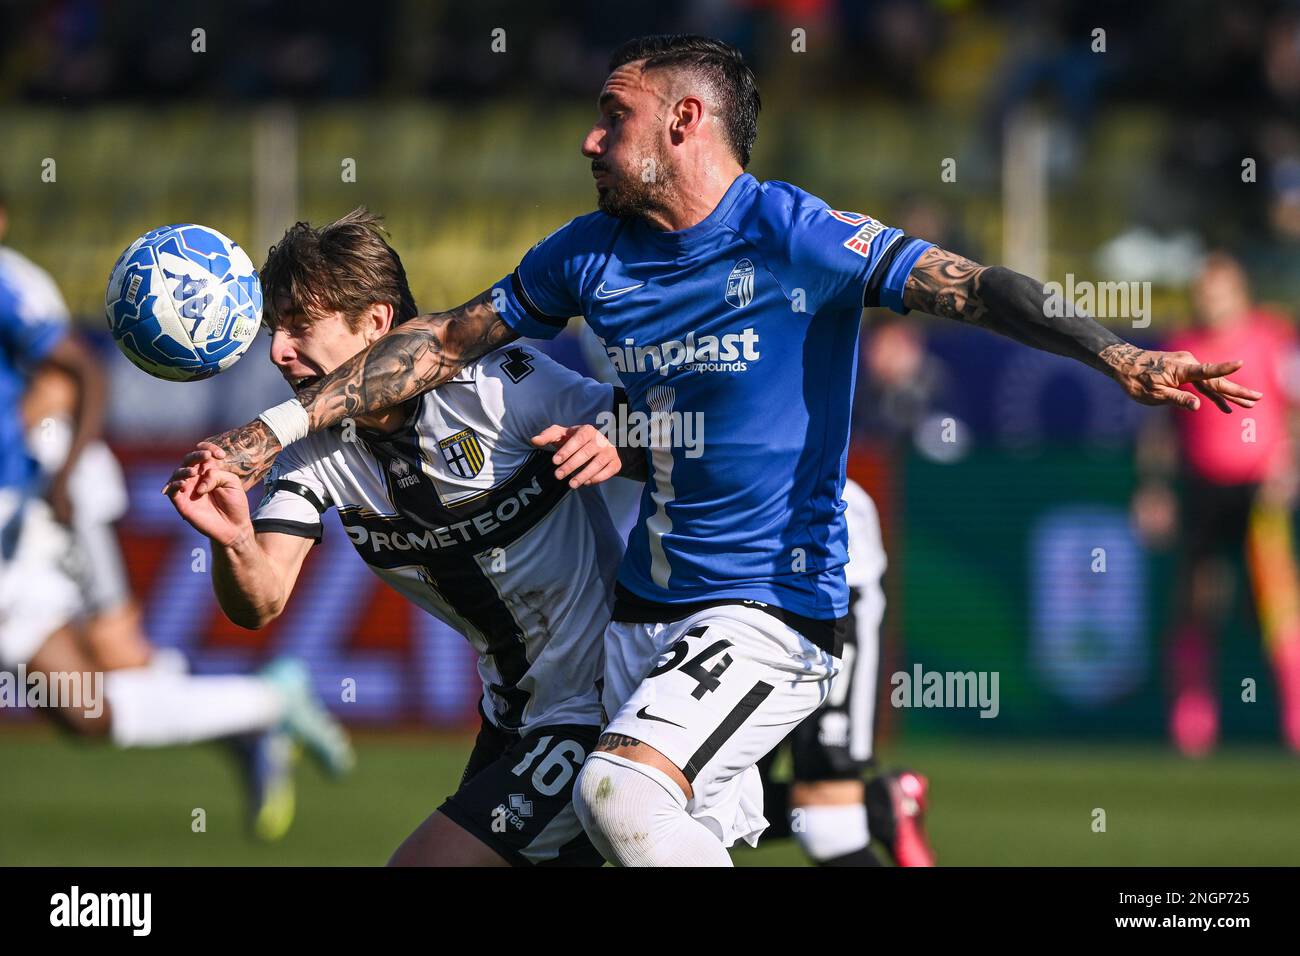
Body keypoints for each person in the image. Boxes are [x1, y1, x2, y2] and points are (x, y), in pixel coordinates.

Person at [183, 35, 1261, 866]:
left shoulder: (795, 234)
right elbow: (441, 341)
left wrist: (1114, 351)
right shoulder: (588, 252)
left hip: (766, 606)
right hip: (638, 616)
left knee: (619, 795)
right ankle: (869, 807)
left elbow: (972, 287)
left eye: (614, 117)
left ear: (685, 121)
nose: (590, 139)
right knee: (642, 825)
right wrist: (258, 434)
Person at [166, 208, 644, 866]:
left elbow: (663, 434)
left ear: (376, 322)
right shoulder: (315, 455)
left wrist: (619, 437)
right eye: (275, 329)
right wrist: (235, 542)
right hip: (513, 720)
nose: (278, 349)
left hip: (598, 702)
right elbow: (261, 600)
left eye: (301, 325)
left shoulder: (502, 386)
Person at [0, 191, 351, 843]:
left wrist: (63, 470)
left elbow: (70, 377)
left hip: (27, 511)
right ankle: (259, 710)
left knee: (115, 666)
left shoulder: (10, 282)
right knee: (87, 711)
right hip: (30, 517)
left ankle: (260, 709)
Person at [1132, 252, 1300, 754]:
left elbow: (1293, 411)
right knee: (1196, 604)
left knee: (1277, 606)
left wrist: (1286, 467)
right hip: (1203, 492)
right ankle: (1193, 724)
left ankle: (1294, 718)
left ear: (1240, 294)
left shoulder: (1273, 340)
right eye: (1204, 293)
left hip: (1259, 493)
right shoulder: (1181, 348)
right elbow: (1160, 428)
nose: (1211, 303)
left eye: (1220, 292)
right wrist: (1155, 488)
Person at [757, 478, 935, 867]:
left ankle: (867, 806)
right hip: (711, 595)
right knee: (691, 802)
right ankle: (878, 804)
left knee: (828, 825)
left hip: (824, 588)